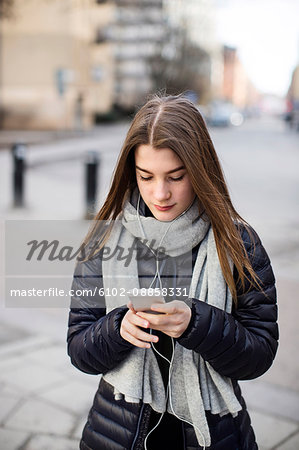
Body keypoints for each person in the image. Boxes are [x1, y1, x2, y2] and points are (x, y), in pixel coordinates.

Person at [67, 94, 278, 450]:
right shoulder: (104, 241)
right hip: (118, 432)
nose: (160, 193)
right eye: (146, 177)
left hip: (214, 435)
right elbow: (79, 350)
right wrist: (119, 328)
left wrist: (196, 324)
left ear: (199, 169)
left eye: (176, 177)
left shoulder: (238, 242)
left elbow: (259, 354)